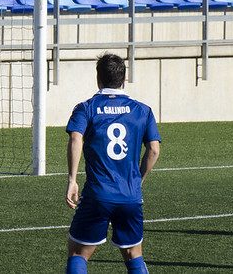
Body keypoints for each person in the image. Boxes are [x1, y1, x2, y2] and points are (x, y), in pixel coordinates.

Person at [65, 53, 161, 274]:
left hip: (98, 193)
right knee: (133, 254)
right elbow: (154, 150)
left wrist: (72, 180)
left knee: (79, 253)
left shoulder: (87, 108)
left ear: (98, 79)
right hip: (130, 194)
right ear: (124, 79)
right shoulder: (143, 110)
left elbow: (75, 137)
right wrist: (137, 181)